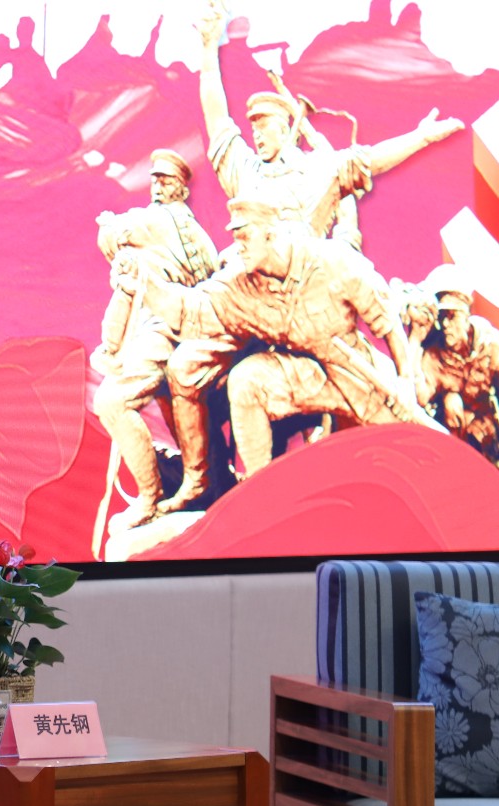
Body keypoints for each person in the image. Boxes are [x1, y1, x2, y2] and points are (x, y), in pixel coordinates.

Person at [119, 196, 435, 490]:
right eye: (236, 237)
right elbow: (190, 310)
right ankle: (262, 493)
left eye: (245, 237)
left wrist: (405, 381)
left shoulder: (332, 261)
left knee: (412, 448)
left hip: (354, 369)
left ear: (270, 235)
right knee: (246, 381)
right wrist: (144, 282)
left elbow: (387, 322)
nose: (239, 246)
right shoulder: (240, 283)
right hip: (300, 372)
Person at [196, 0, 462, 249]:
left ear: (284, 130)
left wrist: (422, 137)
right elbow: (218, 121)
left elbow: (371, 160)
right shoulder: (245, 172)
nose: (257, 135)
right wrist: (208, 50)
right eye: (254, 129)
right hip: (249, 279)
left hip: (308, 278)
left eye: (264, 127)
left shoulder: (317, 168)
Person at [91, 148, 219, 530]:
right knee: (176, 412)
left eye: (164, 181)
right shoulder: (201, 237)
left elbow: (111, 238)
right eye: (156, 181)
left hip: (162, 332)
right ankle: (207, 483)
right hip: (196, 336)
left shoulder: (152, 220)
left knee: (111, 401)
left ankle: (149, 497)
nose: (157, 187)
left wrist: (107, 225)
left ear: (181, 188)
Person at [410, 265, 499, 460]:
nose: (445, 325)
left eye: (451, 316)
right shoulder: (434, 356)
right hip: (459, 443)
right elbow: (417, 398)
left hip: (492, 431)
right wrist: (415, 339)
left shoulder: (490, 343)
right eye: (441, 318)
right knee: (452, 406)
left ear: (466, 315)